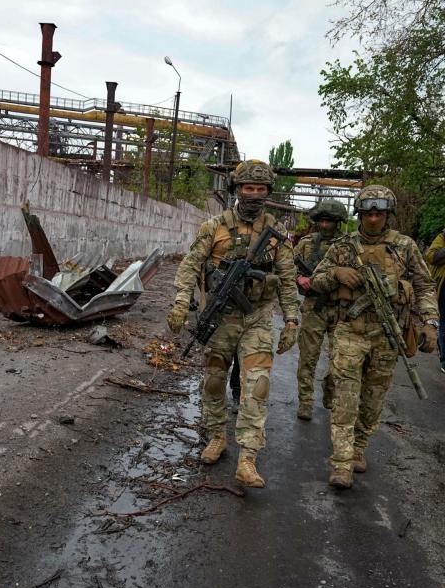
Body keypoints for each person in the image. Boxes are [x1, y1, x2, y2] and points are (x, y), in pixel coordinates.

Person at [167, 160, 301, 488]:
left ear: (269, 192)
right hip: (221, 318)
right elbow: (191, 265)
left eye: (260, 189)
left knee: (256, 385)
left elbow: (286, 278)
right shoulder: (214, 226)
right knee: (214, 382)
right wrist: (183, 301)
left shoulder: (276, 234)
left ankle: (247, 458)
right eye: (248, 188)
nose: (254, 194)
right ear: (237, 189)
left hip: (256, 319)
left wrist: (292, 319)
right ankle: (216, 437)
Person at [310, 185, 438, 489]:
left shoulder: (405, 247)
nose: (373, 219)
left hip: (387, 333)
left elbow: (425, 286)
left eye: (379, 213)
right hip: (349, 332)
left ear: (388, 214)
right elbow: (316, 279)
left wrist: (430, 321)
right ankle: (341, 462)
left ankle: (357, 449)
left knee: (373, 399)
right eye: (368, 213)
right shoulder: (343, 246)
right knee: (346, 398)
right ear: (359, 214)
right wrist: (337, 274)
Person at [294, 199, 348, 420]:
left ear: (338, 222)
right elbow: (286, 268)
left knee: (341, 359)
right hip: (314, 308)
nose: (325, 225)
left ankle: (330, 390)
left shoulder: (348, 245)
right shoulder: (306, 243)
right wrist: (300, 278)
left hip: (341, 309)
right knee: (308, 357)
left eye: (330, 221)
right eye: (322, 221)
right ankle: (305, 401)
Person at [424, 228, 445, 373]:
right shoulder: (442, 237)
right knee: (444, 324)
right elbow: (431, 256)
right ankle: (444, 359)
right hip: (444, 288)